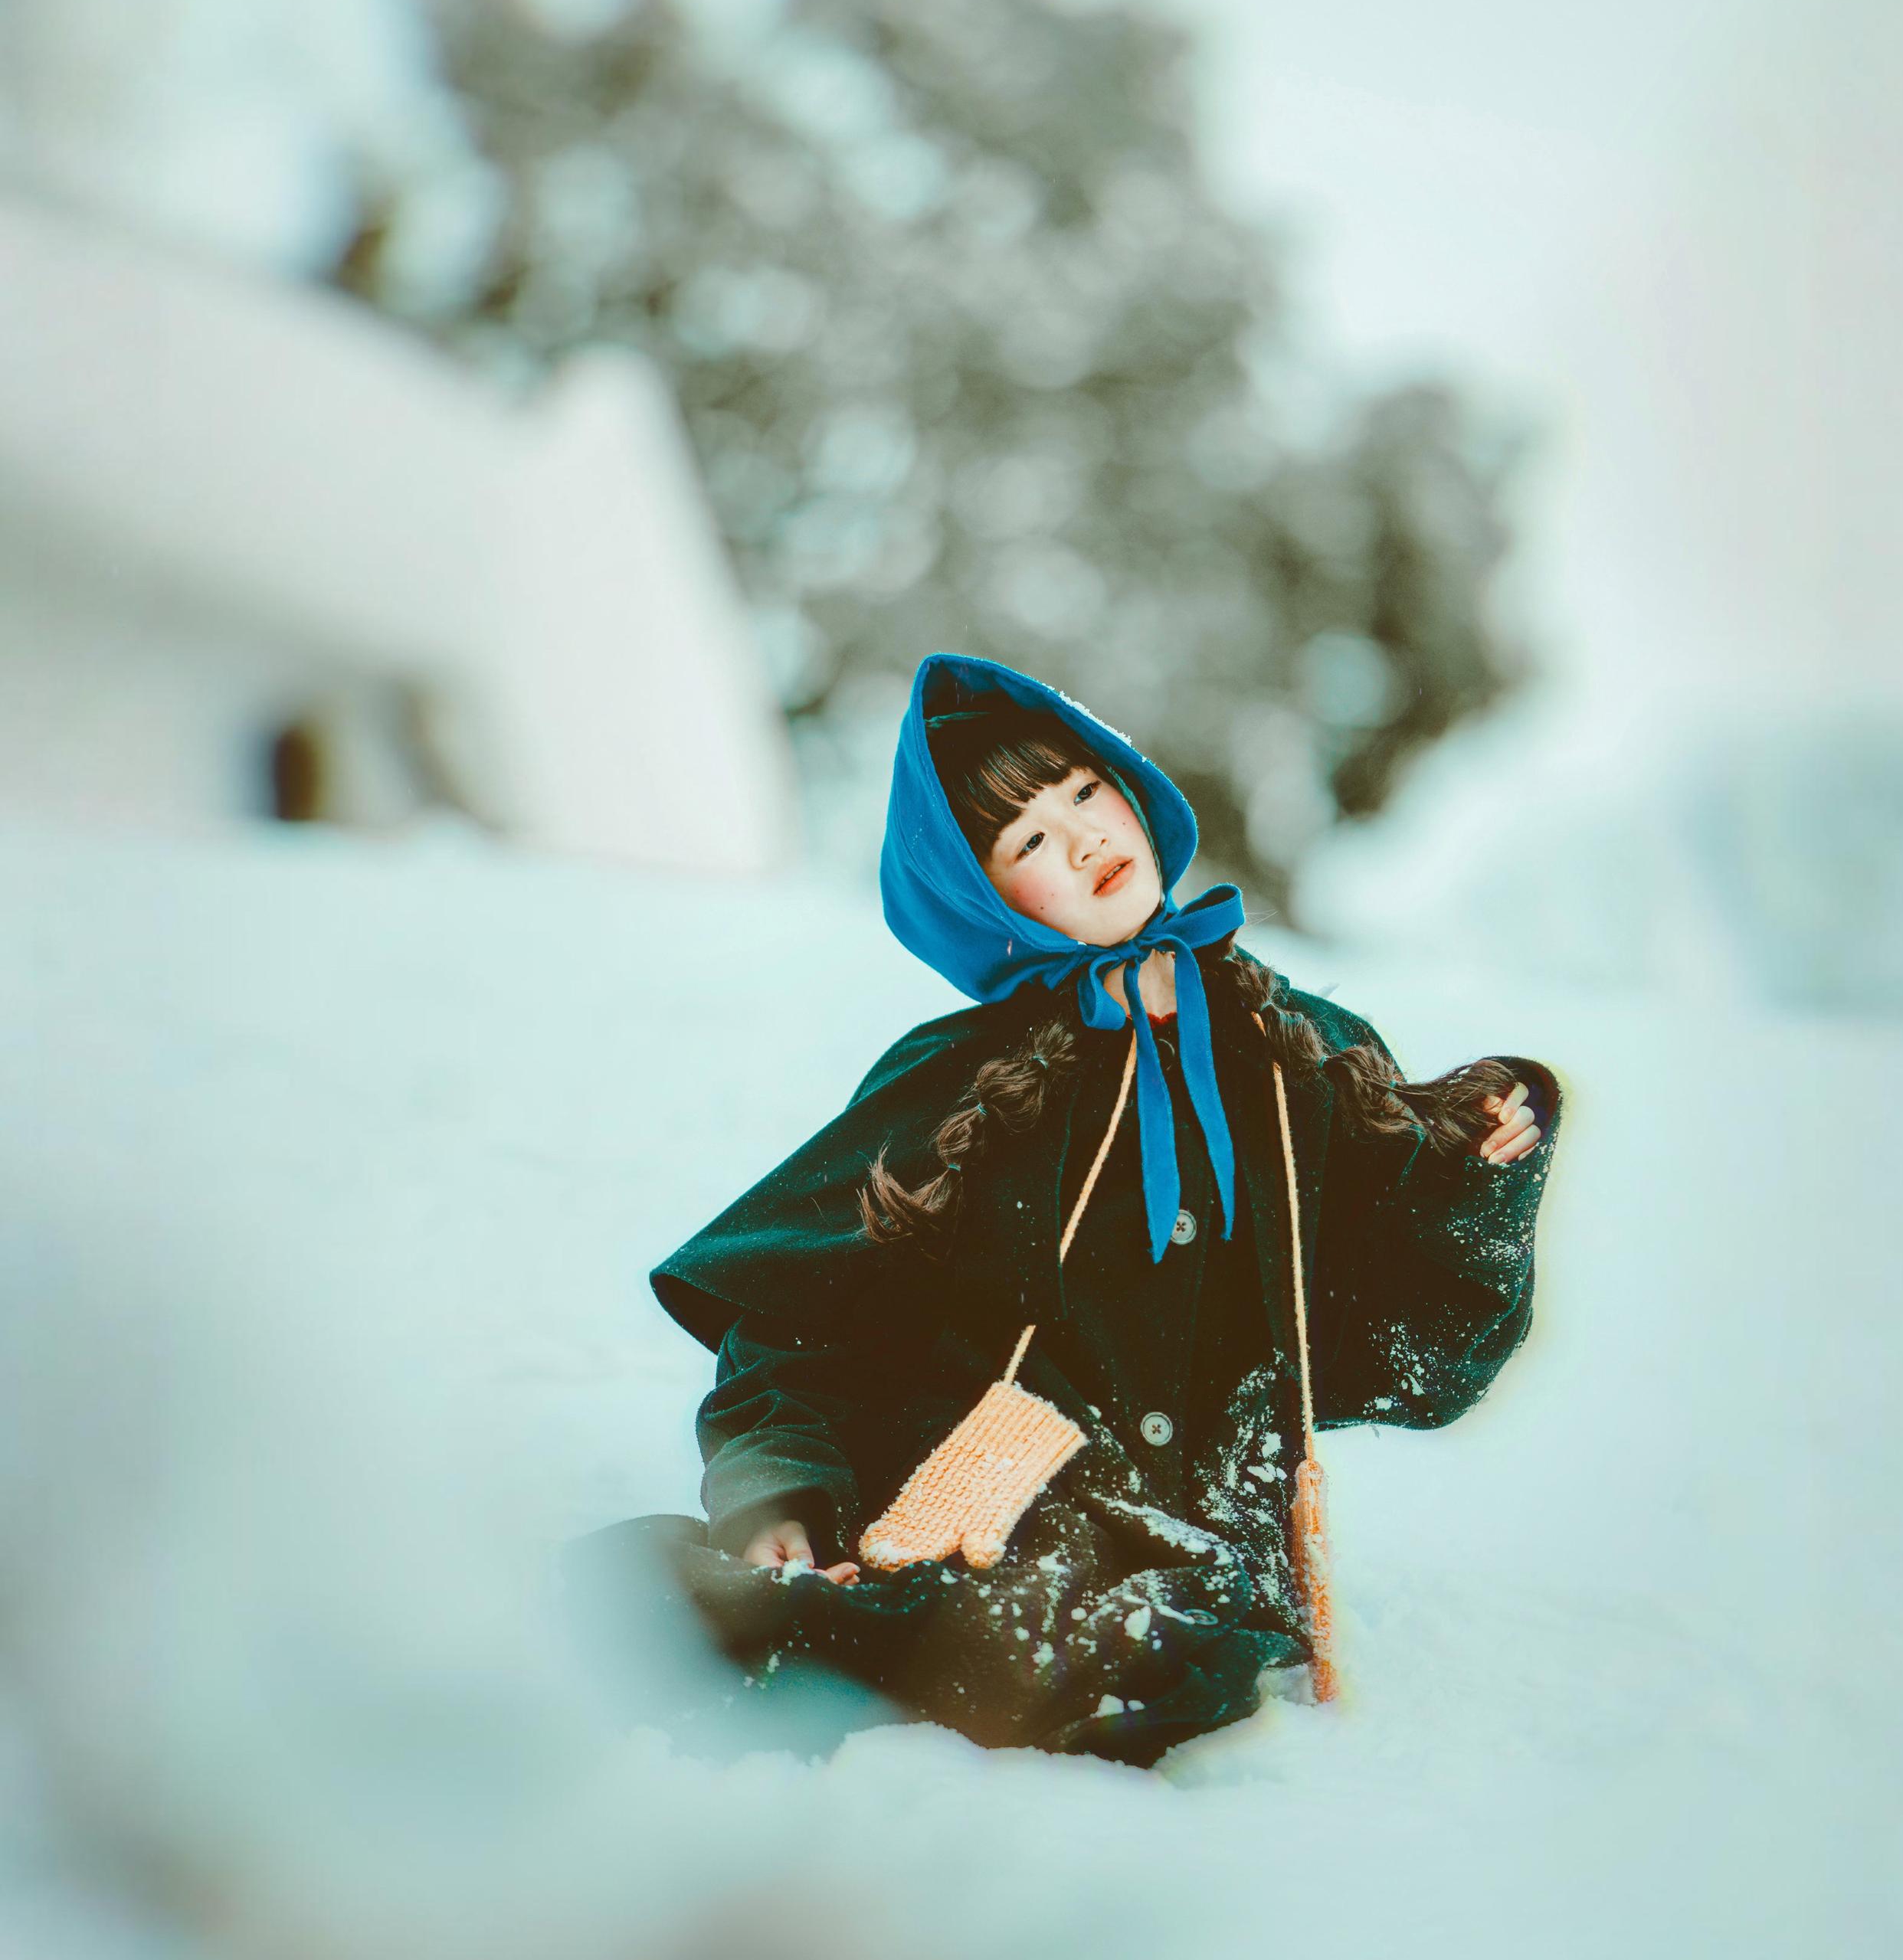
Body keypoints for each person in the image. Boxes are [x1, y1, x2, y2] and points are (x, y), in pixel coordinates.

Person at [581, 652, 1562, 1766]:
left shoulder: (1306, 1054)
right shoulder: (959, 1080)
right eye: (1029, 842)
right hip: (971, 1519)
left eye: (1086, 792)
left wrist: (1474, 1185)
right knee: (683, 1610)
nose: (1085, 838)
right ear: (985, 902)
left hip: (1201, 1561)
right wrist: (777, 1498)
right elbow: (797, 1323)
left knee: (1157, 1651)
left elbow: (1413, 1364)